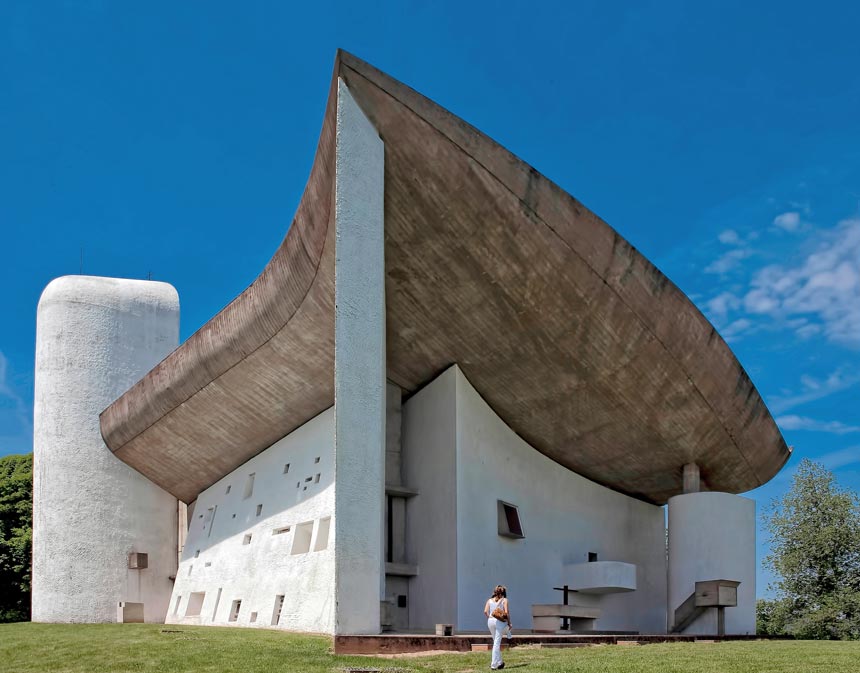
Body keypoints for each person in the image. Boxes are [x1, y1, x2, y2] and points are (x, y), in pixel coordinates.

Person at [483, 584, 512, 670]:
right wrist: (509, 623)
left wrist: (490, 617)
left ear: (495, 592)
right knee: (496, 643)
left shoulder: (489, 600)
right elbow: (506, 613)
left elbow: (485, 611)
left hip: (490, 621)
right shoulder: (505, 600)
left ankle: (500, 662)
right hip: (499, 622)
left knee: (495, 641)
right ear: (504, 592)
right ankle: (493, 664)